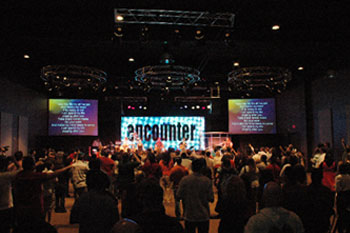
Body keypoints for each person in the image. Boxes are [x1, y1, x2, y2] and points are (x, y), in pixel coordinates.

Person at [13, 157, 72, 222]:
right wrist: (67, 167)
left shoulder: (18, 175)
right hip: (35, 207)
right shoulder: (35, 176)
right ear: (32, 165)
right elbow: (52, 175)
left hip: (21, 207)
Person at [177, 159, 214, 233]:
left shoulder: (185, 180)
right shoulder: (207, 181)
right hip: (203, 215)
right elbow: (211, 198)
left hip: (189, 214)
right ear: (202, 168)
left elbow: (178, 195)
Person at [0, 155, 21, 233]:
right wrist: (15, 161)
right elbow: (21, 170)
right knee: (6, 228)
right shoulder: (6, 176)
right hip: (6, 206)